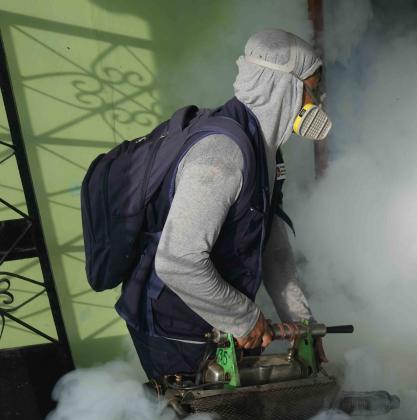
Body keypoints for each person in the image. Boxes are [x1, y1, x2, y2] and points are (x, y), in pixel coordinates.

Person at [116, 29, 330, 380]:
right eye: (311, 89)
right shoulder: (222, 156)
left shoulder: (264, 149)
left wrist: (303, 324)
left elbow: (271, 245)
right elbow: (177, 262)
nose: (315, 102)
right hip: (174, 328)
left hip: (215, 318)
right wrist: (243, 318)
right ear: (281, 87)